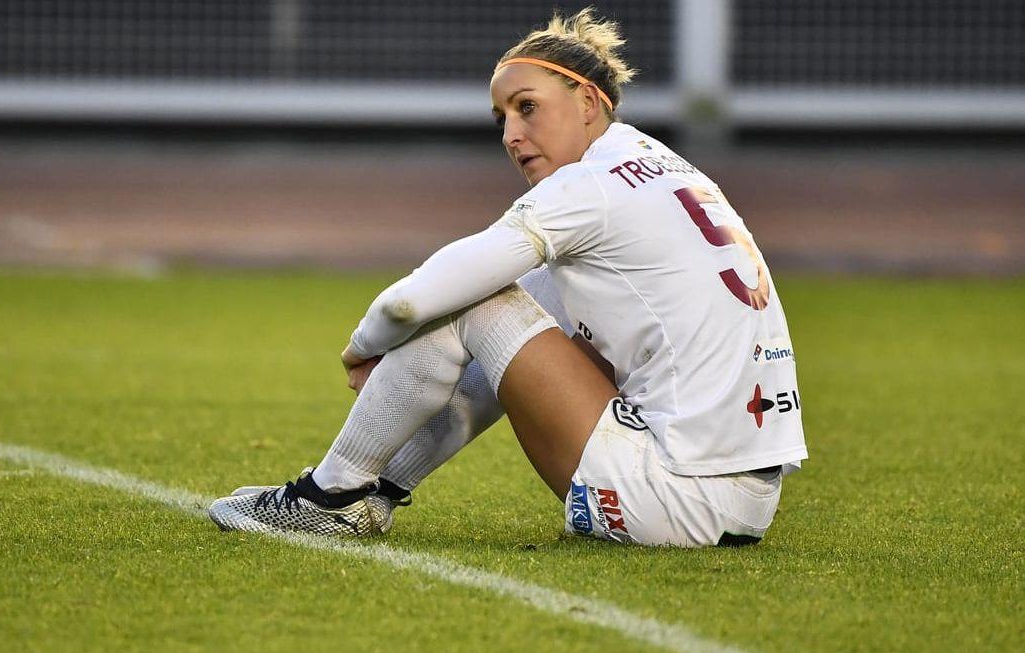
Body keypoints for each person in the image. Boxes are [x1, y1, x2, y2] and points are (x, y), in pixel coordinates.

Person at [207, 8, 806, 548]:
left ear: (590, 103)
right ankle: (369, 494)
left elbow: (414, 302)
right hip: (748, 502)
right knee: (531, 295)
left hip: (671, 495)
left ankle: (329, 497)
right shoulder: (666, 169)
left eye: (527, 107)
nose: (511, 135)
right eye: (501, 118)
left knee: (479, 302)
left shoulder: (588, 186)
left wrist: (362, 346)